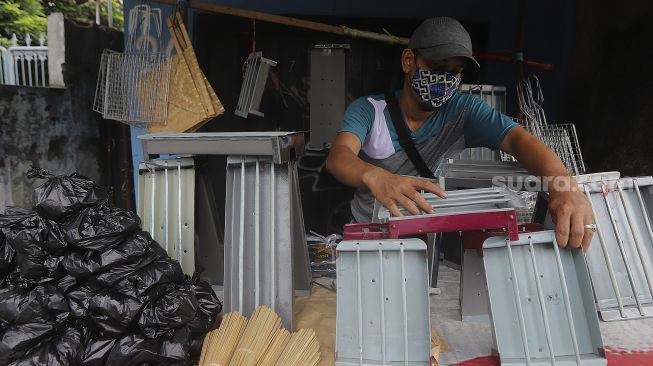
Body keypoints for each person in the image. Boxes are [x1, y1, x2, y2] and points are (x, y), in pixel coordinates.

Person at [325, 17, 595, 251]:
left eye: (454, 72)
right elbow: (339, 157)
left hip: (427, 238)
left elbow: (519, 140)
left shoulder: (464, 111)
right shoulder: (370, 110)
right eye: (437, 68)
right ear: (409, 60)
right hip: (370, 236)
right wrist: (375, 176)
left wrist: (564, 186)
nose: (445, 80)